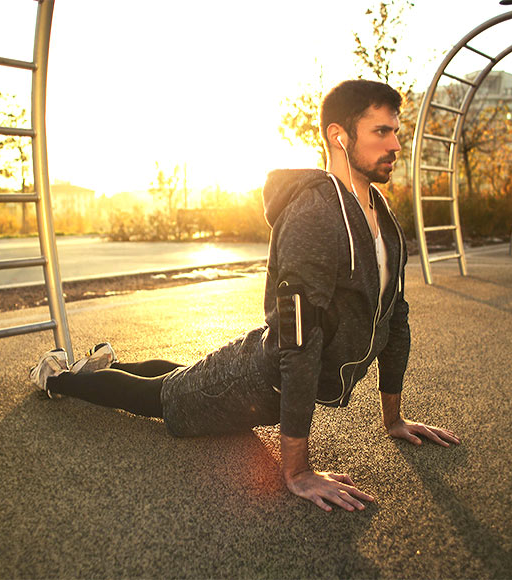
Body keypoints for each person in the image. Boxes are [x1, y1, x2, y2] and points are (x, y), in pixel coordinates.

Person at [29, 79, 460, 513]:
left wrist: (394, 420)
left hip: (258, 371)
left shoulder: (382, 217)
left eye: (396, 131)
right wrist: (297, 472)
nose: (396, 145)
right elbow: (298, 340)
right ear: (339, 136)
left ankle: (104, 362)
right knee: (164, 399)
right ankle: (57, 377)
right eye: (381, 132)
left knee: (182, 380)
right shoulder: (314, 214)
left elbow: (394, 320)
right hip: (255, 379)